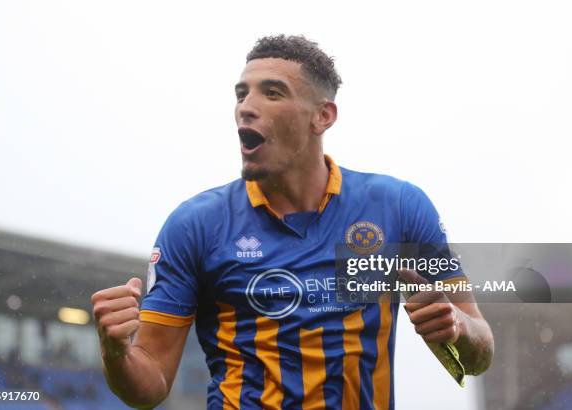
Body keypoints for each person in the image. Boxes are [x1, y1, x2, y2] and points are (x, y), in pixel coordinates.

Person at [91, 35, 494, 410]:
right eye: (241, 93)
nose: (247, 105)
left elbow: (478, 353)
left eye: (272, 93)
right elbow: (150, 385)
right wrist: (116, 353)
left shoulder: (399, 208)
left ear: (323, 116)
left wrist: (456, 327)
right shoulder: (194, 225)